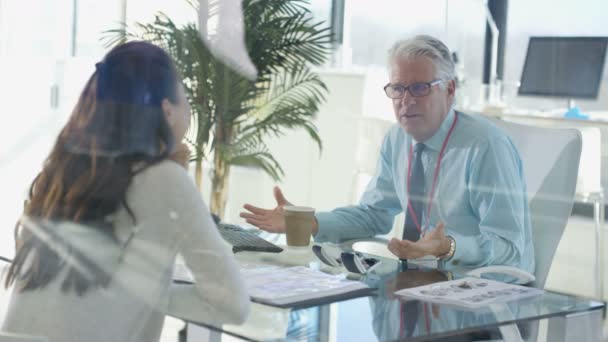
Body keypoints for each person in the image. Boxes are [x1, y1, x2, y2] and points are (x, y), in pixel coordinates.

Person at [2, 41, 249, 342]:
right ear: (167, 110)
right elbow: (233, 303)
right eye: (185, 96)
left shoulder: (66, 168)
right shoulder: (163, 179)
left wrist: (131, 291)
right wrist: (146, 294)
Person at [240, 35, 534, 274]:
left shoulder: (485, 146)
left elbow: (510, 248)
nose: (406, 101)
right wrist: (311, 223)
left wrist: (448, 247)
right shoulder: (397, 139)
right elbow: (374, 216)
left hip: (478, 294)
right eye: (397, 88)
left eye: (419, 88)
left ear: (449, 90)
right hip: (416, 286)